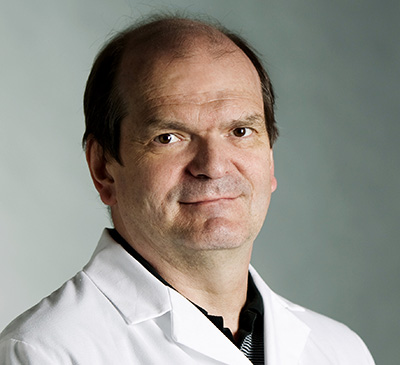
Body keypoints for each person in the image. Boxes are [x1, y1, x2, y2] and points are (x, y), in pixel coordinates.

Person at [0, 15, 375, 364]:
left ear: (270, 159)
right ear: (103, 169)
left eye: (240, 132)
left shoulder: (340, 350)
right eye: (169, 137)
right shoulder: (47, 352)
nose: (213, 166)